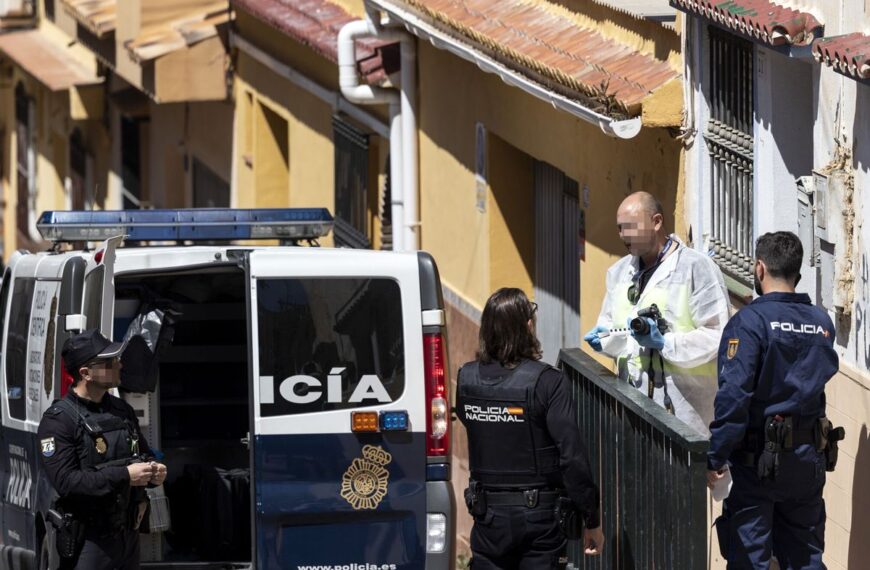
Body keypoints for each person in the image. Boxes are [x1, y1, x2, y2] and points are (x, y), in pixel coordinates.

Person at [706, 232, 841, 569]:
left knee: (750, 558)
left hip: (758, 465)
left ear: (759, 268)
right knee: (806, 557)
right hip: (808, 461)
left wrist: (716, 455)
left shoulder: (749, 323)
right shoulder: (821, 323)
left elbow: (734, 398)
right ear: (797, 272)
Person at [457, 288, 604, 569]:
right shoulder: (548, 382)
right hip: (539, 521)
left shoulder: (466, 378)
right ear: (527, 326)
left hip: (488, 517)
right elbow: (571, 456)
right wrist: (591, 518)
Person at [583, 191, 730, 436]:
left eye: (630, 227)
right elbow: (612, 326)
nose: (623, 235)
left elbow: (718, 335)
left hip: (686, 411)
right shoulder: (619, 273)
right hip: (632, 407)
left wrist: (665, 343)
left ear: (657, 221)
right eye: (620, 228)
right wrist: (608, 339)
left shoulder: (695, 268)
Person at [37, 329, 168, 569]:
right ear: (85, 373)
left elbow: (142, 454)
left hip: (127, 536)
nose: (119, 364)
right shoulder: (59, 421)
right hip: (88, 540)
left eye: (116, 358)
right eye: (109, 361)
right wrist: (125, 475)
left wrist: (153, 472)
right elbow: (67, 482)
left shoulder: (121, 410)